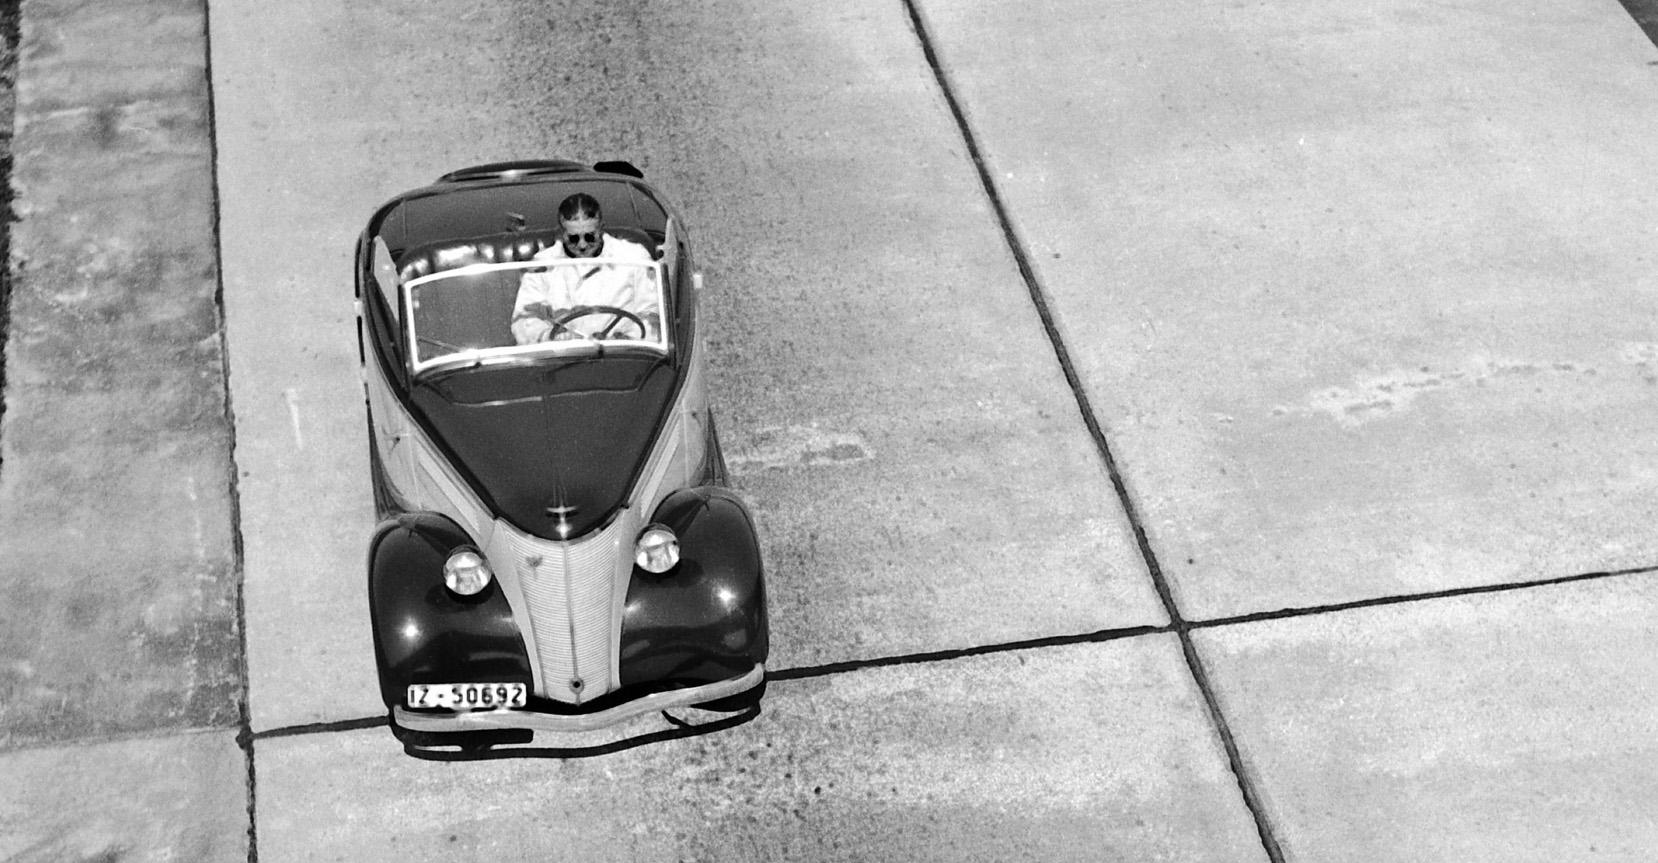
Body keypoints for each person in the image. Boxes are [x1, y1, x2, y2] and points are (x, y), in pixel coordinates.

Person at [510, 193, 661, 345]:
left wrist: (629, 337)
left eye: (589, 237)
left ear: (601, 229)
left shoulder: (633, 257)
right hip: (565, 354)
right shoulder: (542, 266)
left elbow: (652, 313)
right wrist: (551, 335)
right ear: (561, 233)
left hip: (623, 352)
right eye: (573, 238)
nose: (582, 245)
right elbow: (524, 320)